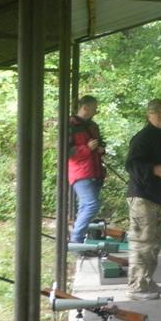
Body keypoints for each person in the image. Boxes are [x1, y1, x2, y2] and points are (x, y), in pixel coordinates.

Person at [125, 99, 161, 300]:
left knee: (155, 241)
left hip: (160, 196)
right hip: (142, 196)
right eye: (158, 113)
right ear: (148, 115)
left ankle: (147, 280)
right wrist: (155, 170)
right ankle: (136, 286)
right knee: (143, 241)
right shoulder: (142, 138)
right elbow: (132, 165)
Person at [68, 95, 106, 243]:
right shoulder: (70, 125)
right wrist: (87, 148)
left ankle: (78, 240)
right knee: (91, 204)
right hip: (80, 172)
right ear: (85, 108)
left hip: (95, 171)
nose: (96, 111)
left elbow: (100, 144)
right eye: (95, 108)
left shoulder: (93, 126)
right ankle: (76, 239)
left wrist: (101, 148)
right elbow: (66, 151)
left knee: (85, 206)